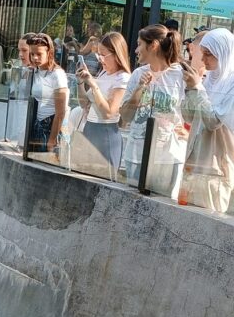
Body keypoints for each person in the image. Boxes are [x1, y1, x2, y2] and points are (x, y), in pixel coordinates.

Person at [179, 28, 234, 213]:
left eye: (208, 55)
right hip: (196, 160)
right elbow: (189, 116)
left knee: (209, 218)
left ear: (222, 52)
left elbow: (213, 122)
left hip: (217, 167)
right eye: (202, 54)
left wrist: (196, 88)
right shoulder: (212, 77)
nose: (203, 60)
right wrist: (190, 89)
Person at [118, 24, 189, 199]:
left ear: (153, 45)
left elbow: (194, 114)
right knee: (132, 206)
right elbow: (125, 116)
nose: (136, 50)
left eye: (139, 44)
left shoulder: (181, 76)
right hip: (136, 154)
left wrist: (187, 130)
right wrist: (140, 89)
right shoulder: (137, 74)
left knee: (161, 209)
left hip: (167, 157)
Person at [67, 31, 132, 175]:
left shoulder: (122, 78)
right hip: (90, 129)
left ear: (116, 54)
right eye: (98, 55)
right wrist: (80, 82)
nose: (100, 59)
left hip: (105, 134)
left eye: (103, 55)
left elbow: (109, 112)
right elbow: (84, 104)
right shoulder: (104, 73)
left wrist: (93, 85)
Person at [26, 32, 69, 153]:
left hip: (50, 126)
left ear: (49, 52)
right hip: (36, 124)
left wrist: (52, 140)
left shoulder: (57, 74)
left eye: (39, 54)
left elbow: (61, 112)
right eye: (32, 54)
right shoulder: (35, 71)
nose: (35, 58)